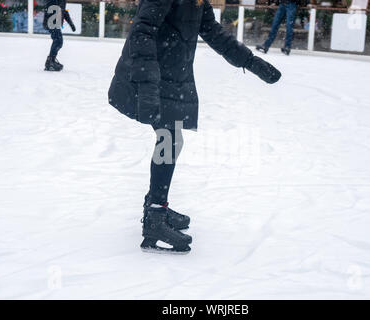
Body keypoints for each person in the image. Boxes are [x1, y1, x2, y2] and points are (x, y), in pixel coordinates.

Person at [108, 0, 281, 254]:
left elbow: (212, 30)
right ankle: (155, 216)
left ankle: (157, 208)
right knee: (169, 140)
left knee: (170, 140)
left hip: (171, 75)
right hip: (151, 76)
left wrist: (250, 61)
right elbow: (142, 32)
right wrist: (147, 88)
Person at [43, 0, 76, 71]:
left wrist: (71, 24)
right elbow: (49, 8)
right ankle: (50, 61)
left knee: (58, 41)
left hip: (55, 23)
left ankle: (51, 60)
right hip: (52, 22)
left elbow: (64, 11)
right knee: (58, 41)